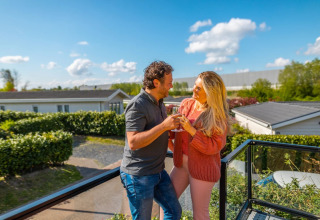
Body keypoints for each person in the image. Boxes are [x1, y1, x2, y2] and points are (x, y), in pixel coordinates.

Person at [120, 61, 182, 220]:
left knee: (174, 212)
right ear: (156, 82)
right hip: (139, 175)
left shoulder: (160, 102)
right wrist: (163, 126)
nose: (171, 86)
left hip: (158, 171)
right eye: (169, 83)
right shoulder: (137, 105)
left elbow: (160, 132)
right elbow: (133, 142)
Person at [167, 71, 230, 220]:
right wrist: (166, 130)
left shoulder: (217, 115)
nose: (194, 90)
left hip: (203, 168)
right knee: (167, 201)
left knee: (200, 215)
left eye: (199, 88)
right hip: (181, 164)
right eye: (195, 86)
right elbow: (175, 131)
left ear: (211, 93)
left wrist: (192, 130)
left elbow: (214, 146)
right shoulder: (186, 104)